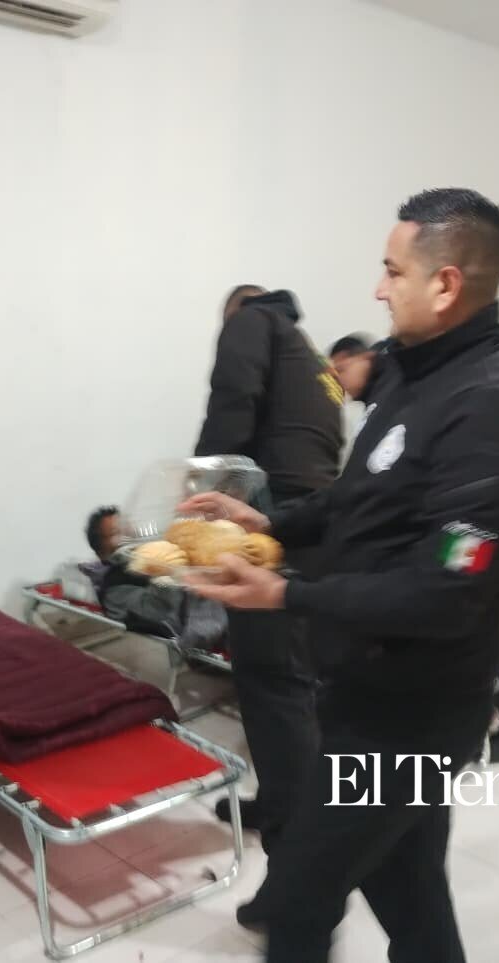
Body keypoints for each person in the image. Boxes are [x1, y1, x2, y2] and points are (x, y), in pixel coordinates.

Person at [182, 189, 499, 962]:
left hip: (413, 716)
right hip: (362, 690)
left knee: (298, 900)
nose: (379, 289)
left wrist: (287, 592)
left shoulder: (498, 407)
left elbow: (447, 591)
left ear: (445, 284)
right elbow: (357, 500)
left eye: (393, 270)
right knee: (411, 892)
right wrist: (268, 524)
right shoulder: (413, 376)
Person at [194, 284, 344, 848]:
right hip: (316, 525)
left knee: (269, 677)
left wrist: (200, 491)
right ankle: (292, 802)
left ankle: (295, 824)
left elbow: (230, 407)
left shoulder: (250, 321)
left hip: (273, 522)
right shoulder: (311, 354)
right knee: (296, 677)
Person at [83, 506, 225, 647]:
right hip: (182, 649)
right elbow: (159, 610)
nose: (128, 533)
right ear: (102, 553)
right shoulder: (114, 591)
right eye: (117, 532)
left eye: (126, 526)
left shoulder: (154, 553)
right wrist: (166, 569)